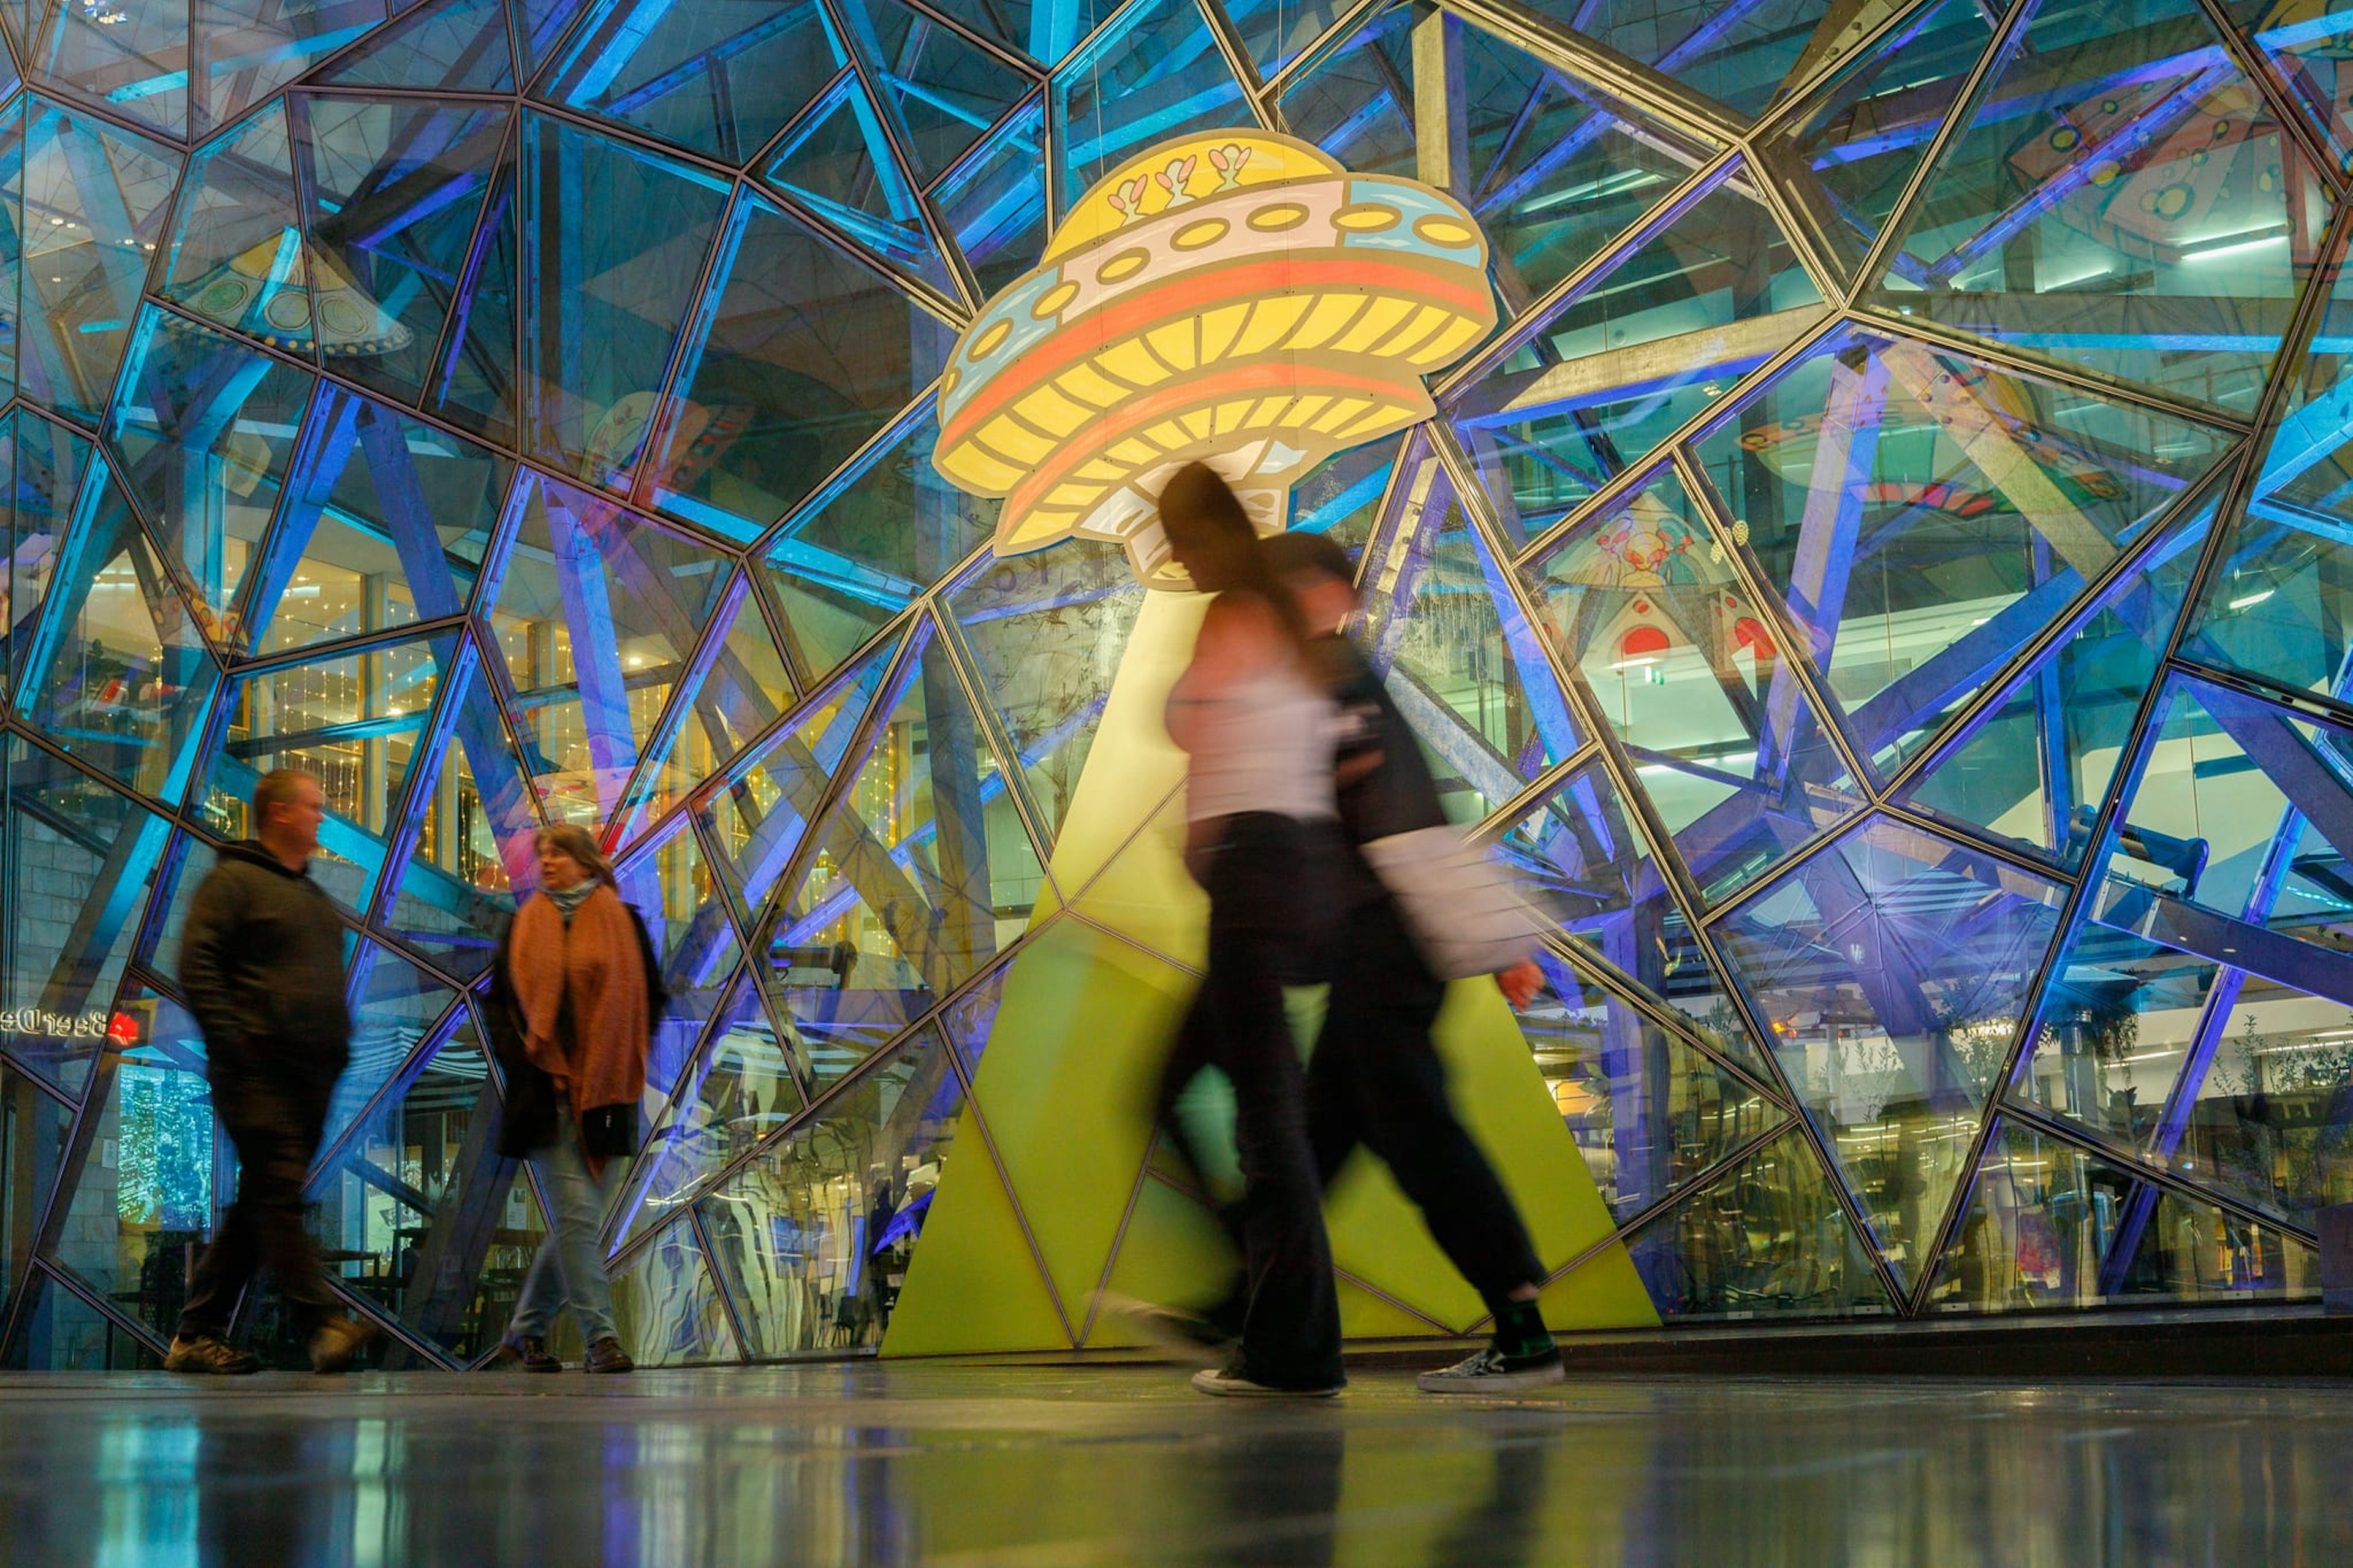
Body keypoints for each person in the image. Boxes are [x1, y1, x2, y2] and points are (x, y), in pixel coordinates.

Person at [1264, 529, 1564, 1393]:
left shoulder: (1335, 676)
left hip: (1384, 949)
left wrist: (1493, 939)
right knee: (1320, 1143)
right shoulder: (1336, 675)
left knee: (1417, 1138)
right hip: (1382, 946)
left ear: (1319, 591)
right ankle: (1251, 1320)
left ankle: (1520, 1328)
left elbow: (1398, 820)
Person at [1156, 461, 1349, 1398]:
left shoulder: (1233, 610)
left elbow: (1203, 729)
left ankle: (1288, 1345)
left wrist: (1208, 845)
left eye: (1181, 537)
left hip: (1254, 869)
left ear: (1212, 533)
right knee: (1263, 1111)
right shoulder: (1291, 624)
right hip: (1299, 868)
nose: (1174, 556)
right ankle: (1271, 1313)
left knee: (1267, 1121)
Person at [169, 768, 379, 1374]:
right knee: (278, 1191)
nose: (323, 817)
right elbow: (199, 965)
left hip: (310, 1079)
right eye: (315, 806)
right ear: (281, 813)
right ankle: (322, 1324)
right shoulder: (231, 883)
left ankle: (196, 1333)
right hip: (255, 1071)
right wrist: (233, 1045)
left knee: (265, 1197)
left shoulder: (310, 897)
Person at [488, 824, 662, 1374]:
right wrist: (532, 1056)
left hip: (608, 1094)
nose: (548, 862)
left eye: (559, 852)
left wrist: (617, 1055)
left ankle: (523, 1333)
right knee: (581, 1224)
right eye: (542, 854)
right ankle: (600, 1340)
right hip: (550, 1094)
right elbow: (501, 1008)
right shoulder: (524, 926)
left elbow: (651, 999)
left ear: (587, 862)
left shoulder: (623, 922)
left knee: (577, 1227)